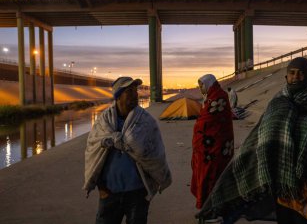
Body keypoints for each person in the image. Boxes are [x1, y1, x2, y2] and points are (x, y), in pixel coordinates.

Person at [197, 57, 307, 224]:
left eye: (301, 73)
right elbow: (260, 135)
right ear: (286, 77)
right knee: (286, 216)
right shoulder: (278, 101)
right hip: (282, 178)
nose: (296, 77)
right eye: (292, 73)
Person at [83, 76, 172, 224]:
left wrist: (149, 185)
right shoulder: (103, 122)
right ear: (118, 96)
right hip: (109, 193)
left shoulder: (145, 121)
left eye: (135, 91)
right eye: (129, 91)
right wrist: (101, 188)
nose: (135, 94)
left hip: (137, 194)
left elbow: (156, 153)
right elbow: (92, 152)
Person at [191, 74, 234, 215]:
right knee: (207, 173)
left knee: (212, 174)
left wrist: (199, 127)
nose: (200, 88)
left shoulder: (219, 97)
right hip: (211, 146)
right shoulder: (211, 96)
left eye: (201, 85)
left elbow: (209, 120)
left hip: (217, 146)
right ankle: (209, 206)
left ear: (209, 84)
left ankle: (213, 207)